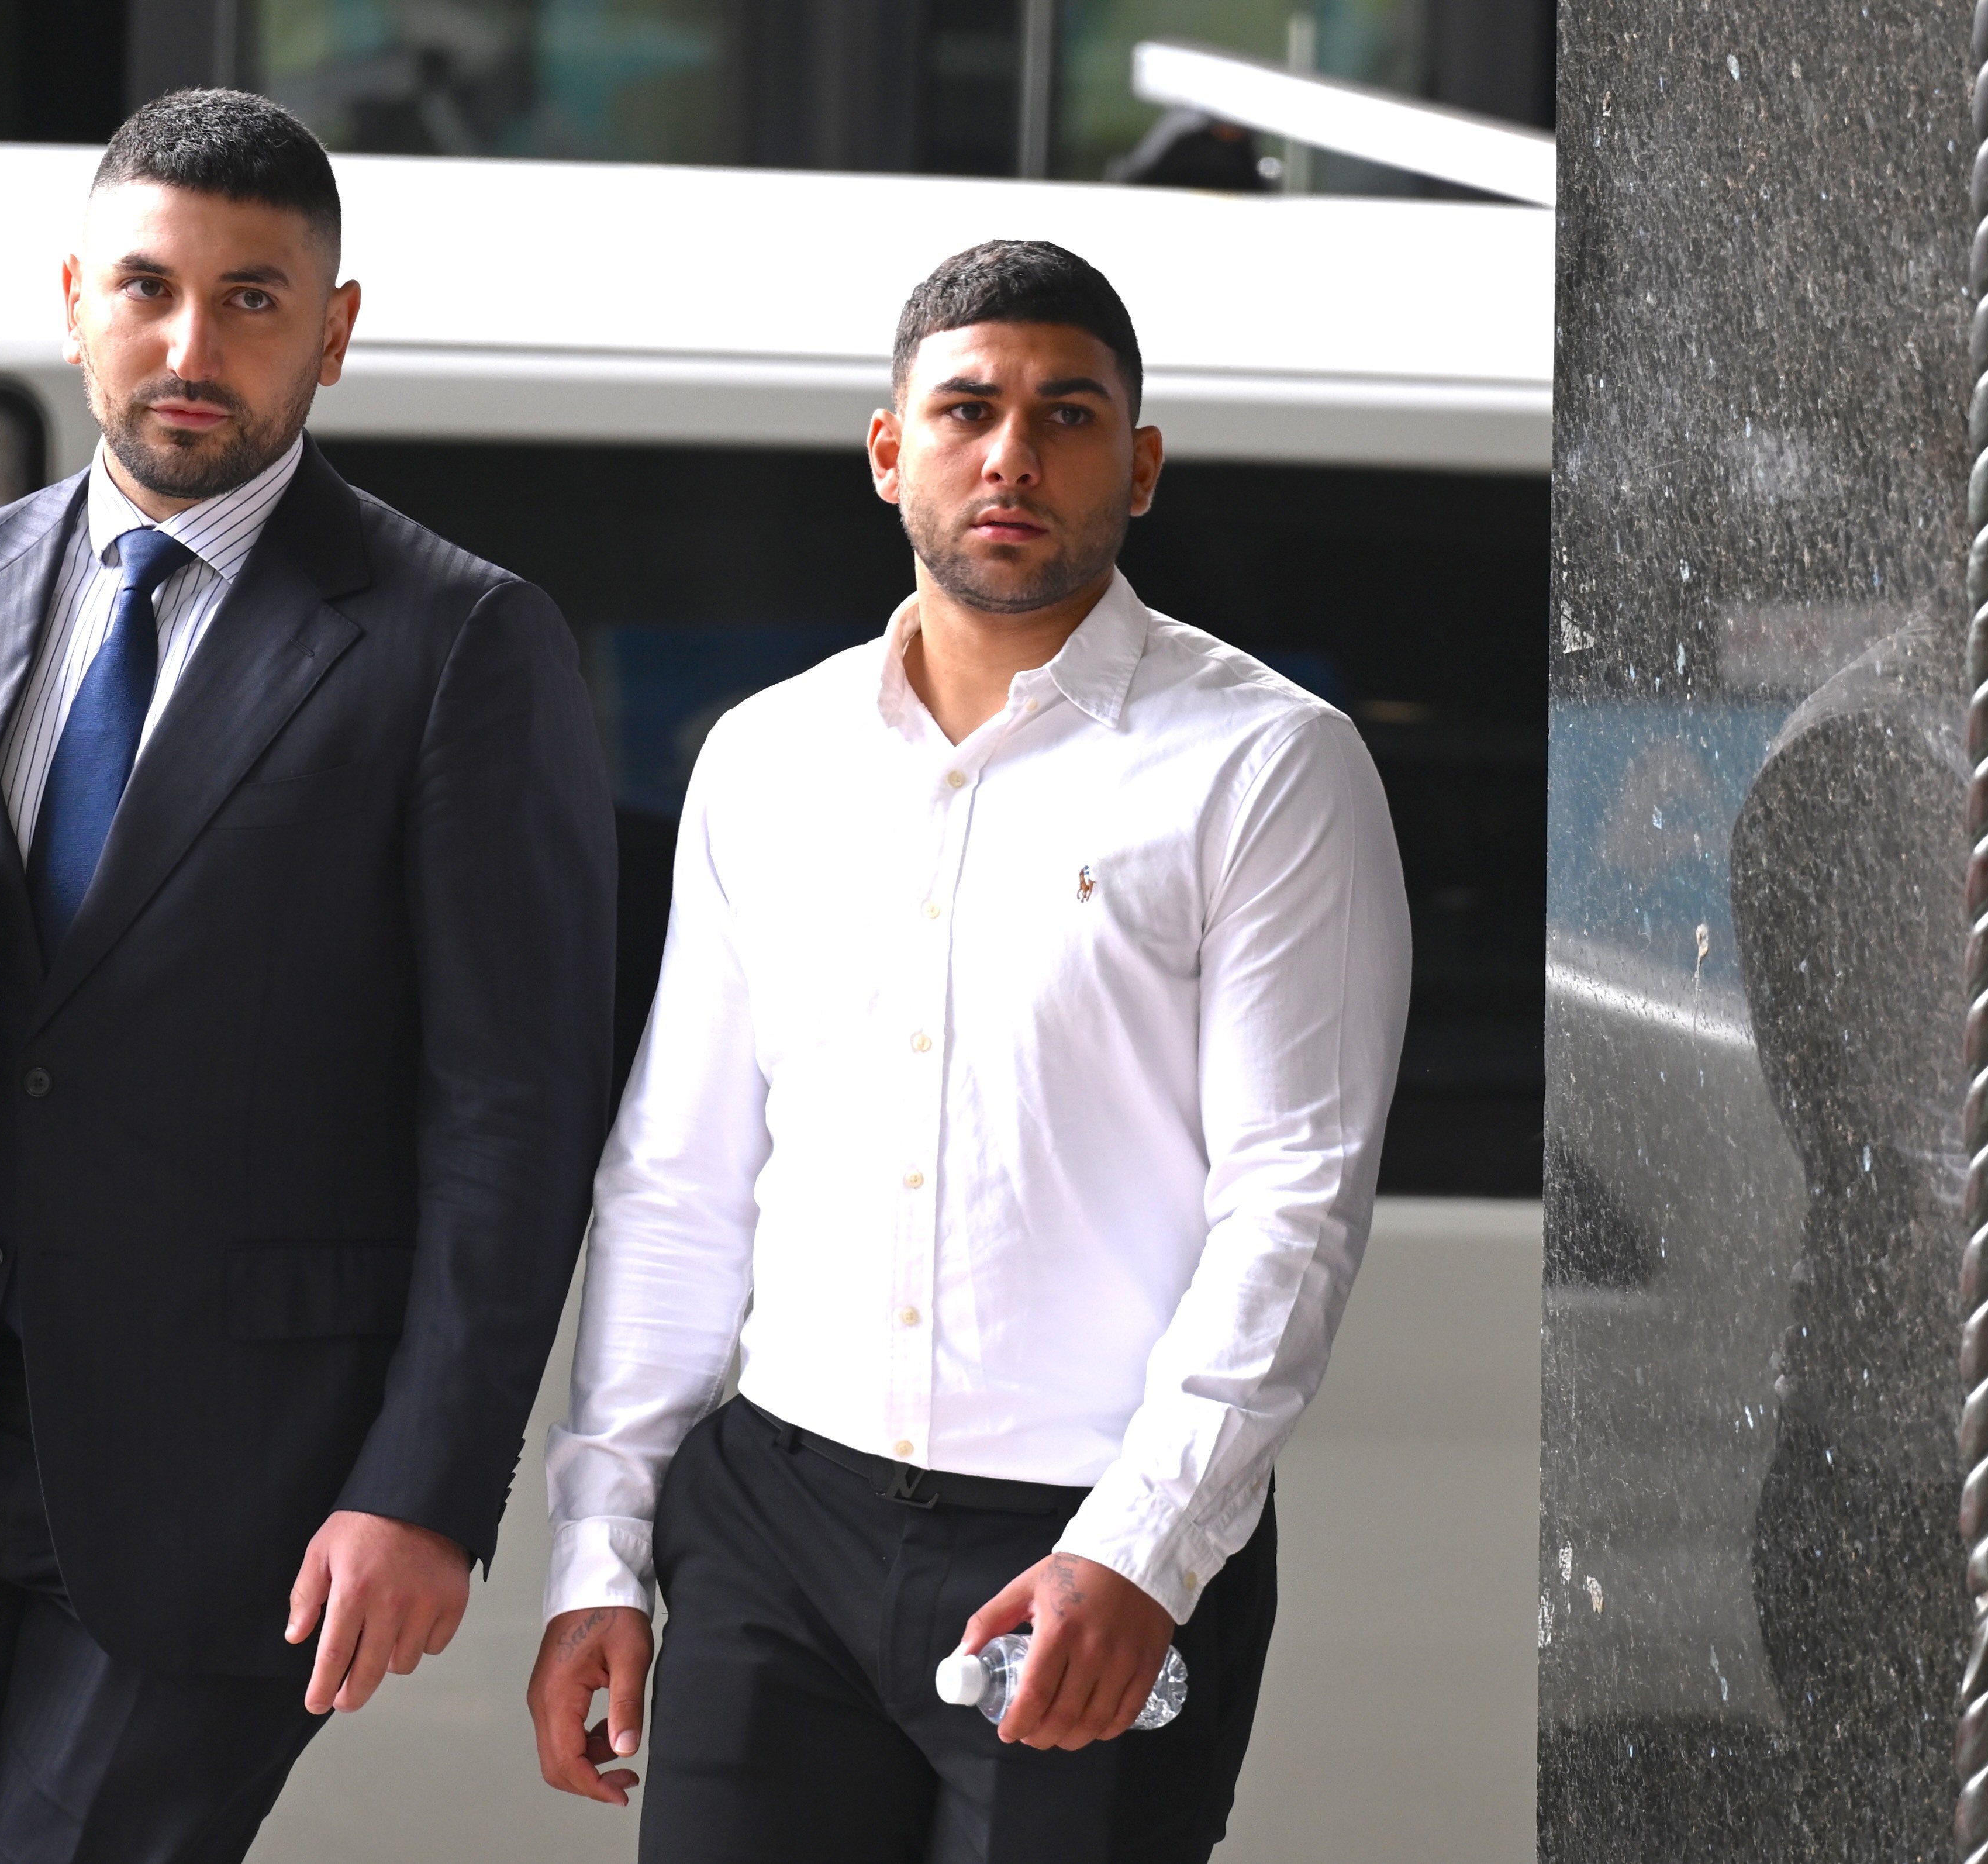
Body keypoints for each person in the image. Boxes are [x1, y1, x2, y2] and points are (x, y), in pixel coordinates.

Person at [0, 89, 615, 1862]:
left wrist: (424, 1491)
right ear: (73, 297)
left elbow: (512, 1112)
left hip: (226, 1497)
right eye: (149, 287)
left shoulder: (456, 644)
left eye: (254, 299)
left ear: (333, 330)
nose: (193, 345)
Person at [527, 241, 1410, 1863]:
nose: (1010, 452)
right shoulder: (764, 758)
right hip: (771, 1522)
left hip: (1077, 1538)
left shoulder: (1267, 766)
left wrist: (1142, 1551)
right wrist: (600, 1545)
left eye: (1066, 414)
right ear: (889, 451)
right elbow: (675, 1181)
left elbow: (1290, 1202)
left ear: (1136, 466)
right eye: (965, 408)